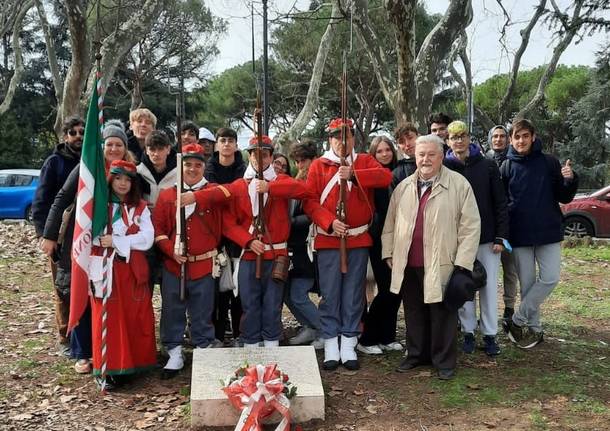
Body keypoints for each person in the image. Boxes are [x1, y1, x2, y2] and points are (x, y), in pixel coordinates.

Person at [382, 134, 480, 380]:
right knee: (413, 310)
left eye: (431, 154)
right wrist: (388, 253)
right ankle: (416, 354)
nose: (425, 159)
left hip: (442, 260)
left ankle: (444, 361)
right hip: (408, 260)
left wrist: (462, 264)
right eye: (421, 154)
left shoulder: (459, 185)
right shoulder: (403, 187)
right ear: (414, 156)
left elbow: (470, 227)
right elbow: (390, 224)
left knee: (442, 312)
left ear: (441, 155)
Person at [40, 120, 134, 375]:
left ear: (125, 148)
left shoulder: (128, 170)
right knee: (81, 292)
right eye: (110, 144)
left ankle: (110, 348)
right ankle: (83, 352)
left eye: (119, 144)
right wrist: (49, 235)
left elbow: (137, 201)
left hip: (114, 245)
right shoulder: (86, 167)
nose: (114, 149)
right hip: (83, 241)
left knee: (109, 297)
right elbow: (61, 199)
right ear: (102, 145)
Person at [303, 118, 392, 371]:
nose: (342, 142)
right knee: (330, 293)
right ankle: (331, 341)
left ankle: (349, 340)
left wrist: (353, 174)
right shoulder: (319, 165)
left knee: (354, 292)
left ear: (354, 138)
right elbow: (309, 201)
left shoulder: (363, 161)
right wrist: (329, 222)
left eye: (347, 136)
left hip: (358, 238)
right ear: (329, 140)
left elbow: (384, 177)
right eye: (336, 137)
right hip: (329, 239)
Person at [154, 143, 237, 379]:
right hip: (175, 265)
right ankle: (174, 351)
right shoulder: (168, 195)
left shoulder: (212, 192)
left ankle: (203, 345)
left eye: (197, 165)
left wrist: (195, 197)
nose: (192, 169)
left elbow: (230, 193)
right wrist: (171, 250)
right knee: (173, 308)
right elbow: (158, 229)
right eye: (187, 164)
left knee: (203, 310)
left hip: (204, 264)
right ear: (180, 166)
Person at [222, 135, 309, 349]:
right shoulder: (239, 185)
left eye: (264, 155)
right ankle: (250, 342)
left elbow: (302, 190)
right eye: (254, 154)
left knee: (272, 305)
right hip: (250, 254)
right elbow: (228, 223)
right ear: (249, 156)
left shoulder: (280, 181)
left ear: (271, 157)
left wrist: (270, 188)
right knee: (249, 304)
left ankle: (271, 343)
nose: (259, 159)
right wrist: (248, 241)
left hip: (276, 255)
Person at [501, 119, 578, 349]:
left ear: (533, 137)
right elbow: (502, 204)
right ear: (512, 140)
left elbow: (564, 196)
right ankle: (534, 329)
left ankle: (516, 320)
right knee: (527, 284)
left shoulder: (549, 162)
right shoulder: (506, 167)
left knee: (550, 277)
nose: (521, 141)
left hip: (548, 231)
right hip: (520, 234)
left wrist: (570, 179)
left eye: (525, 136)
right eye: (517, 137)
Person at [89, 160, 156, 390]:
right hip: (105, 269)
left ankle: (133, 365)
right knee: (107, 317)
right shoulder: (99, 206)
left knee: (133, 316)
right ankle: (108, 367)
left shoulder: (140, 207)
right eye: (118, 178)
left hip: (130, 270)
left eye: (128, 179)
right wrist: (111, 241)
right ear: (110, 179)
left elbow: (147, 238)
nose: (123, 184)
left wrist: (117, 241)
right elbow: (90, 234)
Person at [444, 121, 508, 356]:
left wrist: (501, 236)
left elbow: (500, 203)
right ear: (448, 141)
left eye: (462, 136)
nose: (458, 141)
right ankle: (468, 332)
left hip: (488, 238)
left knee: (489, 288)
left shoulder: (488, 166)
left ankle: (490, 334)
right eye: (454, 137)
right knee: (463, 287)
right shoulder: (444, 167)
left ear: (469, 138)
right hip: (458, 241)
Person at [32, 116, 85, 356]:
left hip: (84, 234)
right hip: (61, 235)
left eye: (82, 132)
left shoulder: (91, 160)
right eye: (73, 132)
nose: (78, 136)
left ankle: (82, 336)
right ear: (65, 136)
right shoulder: (54, 163)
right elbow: (42, 201)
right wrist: (46, 235)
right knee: (63, 289)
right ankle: (65, 336)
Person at [358, 136, 403, 355]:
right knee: (386, 289)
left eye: (388, 150)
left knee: (397, 289)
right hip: (378, 239)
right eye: (380, 151)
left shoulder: (400, 173)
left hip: (399, 237)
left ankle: (387, 336)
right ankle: (367, 337)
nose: (385, 154)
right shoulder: (373, 179)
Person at [204, 127, 247, 345]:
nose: (227, 144)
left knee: (239, 289)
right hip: (213, 236)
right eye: (223, 140)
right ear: (217, 144)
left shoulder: (245, 169)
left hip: (239, 235)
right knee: (216, 291)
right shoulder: (207, 170)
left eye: (231, 140)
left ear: (236, 144)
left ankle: (240, 334)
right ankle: (218, 336)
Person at [285, 140, 321, 348]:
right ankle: (310, 326)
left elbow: (315, 213)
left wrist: (290, 223)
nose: (300, 165)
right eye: (297, 161)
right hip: (293, 247)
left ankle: (324, 329)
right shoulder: (296, 180)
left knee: (298, 293)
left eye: (304, 160)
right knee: (288, 293)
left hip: (309, 247)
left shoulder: (317, 180)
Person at [485, 125, 519, 321]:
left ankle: (509, 307)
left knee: (509, 269)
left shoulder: (514, 160)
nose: (498, 139)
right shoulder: (484, 160)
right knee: (486, 272)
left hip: (510, 224)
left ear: (508, 139)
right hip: (489, 224)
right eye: (495, 136)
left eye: (502, 136)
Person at [137, 130, 177, 208]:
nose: (156, 154)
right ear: (146, 150)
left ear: (168, 149)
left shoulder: (180, 173)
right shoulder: (137, 172)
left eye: (160, 149)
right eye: (152, 149)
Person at [390, 123, 419, 192]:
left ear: (418, 136)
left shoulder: (437, 161)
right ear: (398, 147)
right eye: (402, 142)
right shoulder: (397, 174)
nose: (407, 144)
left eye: (410, 138)